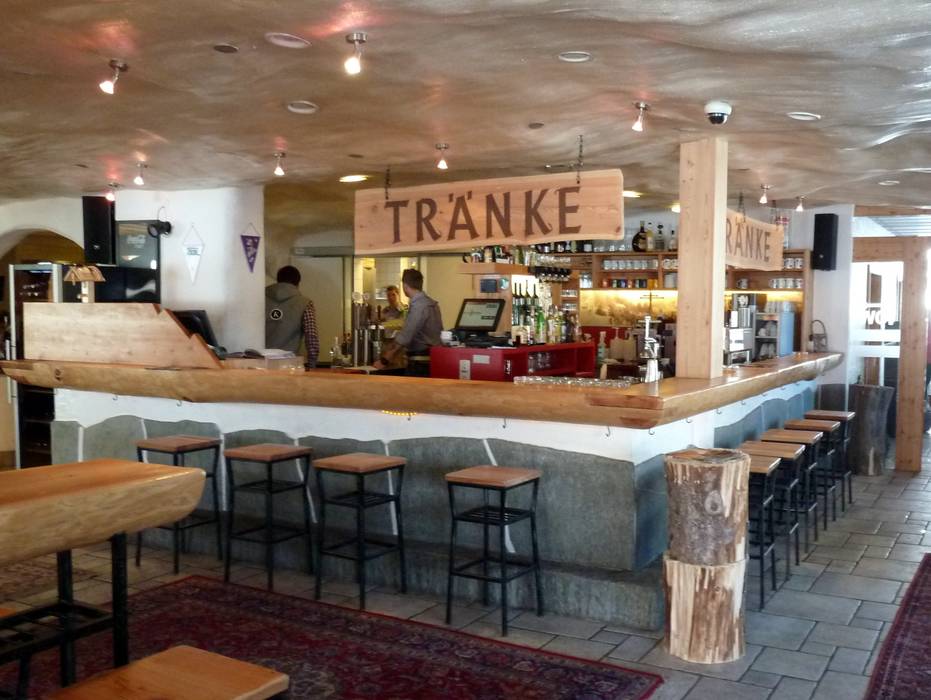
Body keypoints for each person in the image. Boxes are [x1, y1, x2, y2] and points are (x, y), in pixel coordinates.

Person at [373, 268, 443, 376]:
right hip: (433, 360)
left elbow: (405, 336)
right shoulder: (432, 304)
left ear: (405, 286)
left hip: (420, 364)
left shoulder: (418, 306)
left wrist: (384, 360)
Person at [265, 265, 319, 369]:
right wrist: (312, 365)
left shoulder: (260, 299)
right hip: (289, 366)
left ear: (278, 280)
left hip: (260, 364)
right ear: (298, 283)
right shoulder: (304, 303)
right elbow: (312, 338)